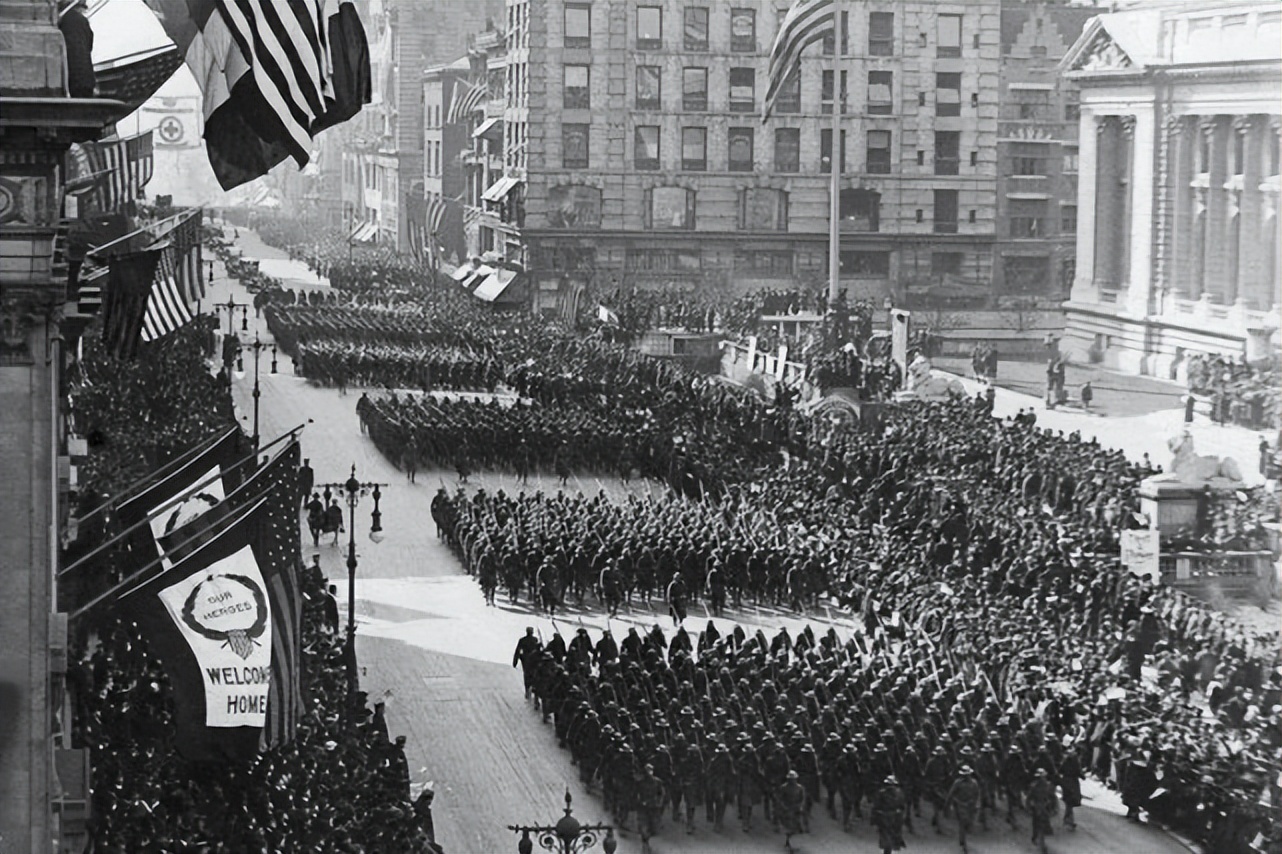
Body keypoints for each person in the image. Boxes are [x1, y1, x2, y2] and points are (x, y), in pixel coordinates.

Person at [873, 775, 907, 854]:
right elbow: (902, 807)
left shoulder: (881, 793)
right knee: (894, 836)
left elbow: (876, 806)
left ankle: (888, 849)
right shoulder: (900, 793)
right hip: (894, 818)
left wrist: (875, 819)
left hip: (885, 817)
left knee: (886, 837)